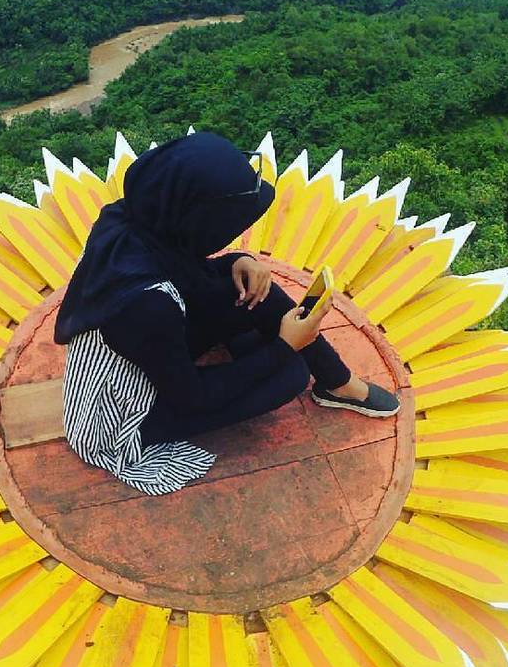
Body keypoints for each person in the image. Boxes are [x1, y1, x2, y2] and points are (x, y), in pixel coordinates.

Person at [53, 131, 400, 495]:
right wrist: (283, 348)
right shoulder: (147, 303)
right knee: (292, 374)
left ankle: (337, 382)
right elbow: (191, 398)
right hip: (121, 416)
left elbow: (177, 268)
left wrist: (237, 260)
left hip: (147, 345)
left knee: (256, 294)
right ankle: (279, 357)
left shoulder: (129, 218)